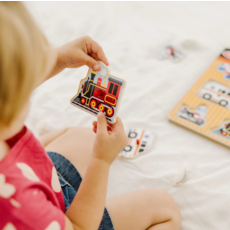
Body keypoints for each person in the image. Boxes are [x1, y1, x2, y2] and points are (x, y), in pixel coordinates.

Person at [0, 2, 181, 230]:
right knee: (164, 209)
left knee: (82, 138)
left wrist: (57, 58)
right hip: (67, 223)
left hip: (42, 185)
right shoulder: (19, 206)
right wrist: (101, 161)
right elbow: (78, 226)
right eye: (24, 90)